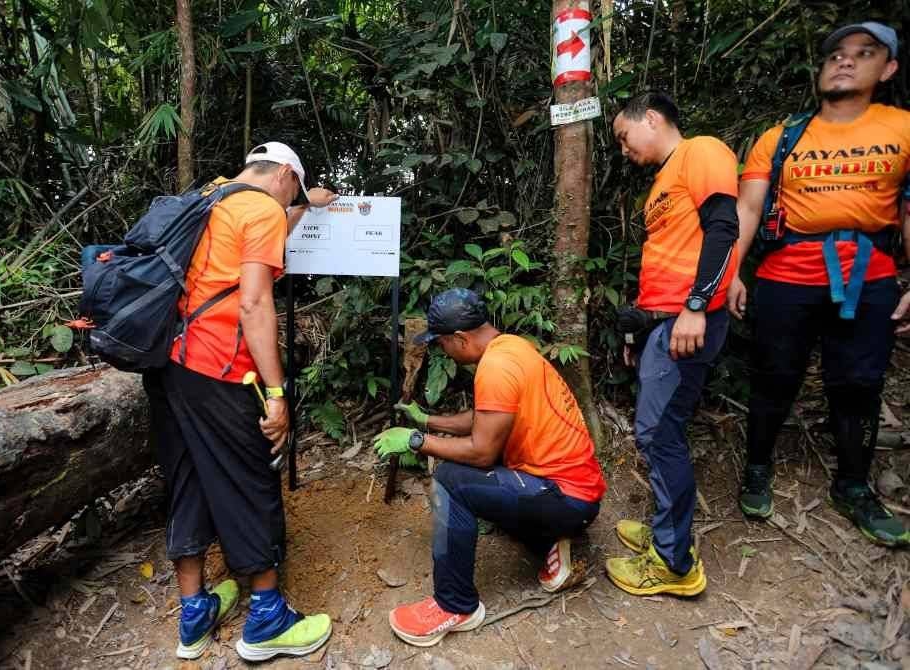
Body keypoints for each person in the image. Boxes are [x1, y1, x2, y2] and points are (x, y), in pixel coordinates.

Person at [143, 142, 339, 661]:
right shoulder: (262, 210)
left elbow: (253, 238)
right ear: (285, 175)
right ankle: (267, 619)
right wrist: (276, 392)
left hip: (169, 364)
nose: (289, 201)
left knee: (187, 480)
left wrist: (305, 206)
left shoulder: (209, 198)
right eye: (294, 190)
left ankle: (194, 615)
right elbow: (252, 302)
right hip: (221, 368)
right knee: (251, 479)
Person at [729, 22, 910, 547]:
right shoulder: (782, 137)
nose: (844, 61)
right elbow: (748, 208)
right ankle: (757, 468)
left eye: (863, 53)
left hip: (869, 274)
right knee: (773, 377)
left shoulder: (902, 128)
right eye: (835, 54)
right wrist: (732, 271)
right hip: (786, 275)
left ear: (889, 69)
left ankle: (852, 485)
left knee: (859, 384)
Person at [372, 288, 606, 647]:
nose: (443, 351)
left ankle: (455, 605)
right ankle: (552, 541)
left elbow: (481, 452)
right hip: (574, 491)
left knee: (450, 478)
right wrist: (427, 420)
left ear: (460, 338)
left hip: (564, 496)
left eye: (442, 344)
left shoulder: (495, 368)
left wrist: (416, 441)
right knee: (482, 479)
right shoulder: (512, 347)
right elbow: (486, 417)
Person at [608, 91, 740, 596]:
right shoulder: (663, 183)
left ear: (652, 118)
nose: (624, 150)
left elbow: (723, 229)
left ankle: (673, 562)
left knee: (658, 435)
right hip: (664, 325)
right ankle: (668, 530)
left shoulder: (700, 151)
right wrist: (640, 332)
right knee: (660, 431)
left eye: (625, 137)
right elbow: (671, 258)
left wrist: (697, 305)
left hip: (687, 321)